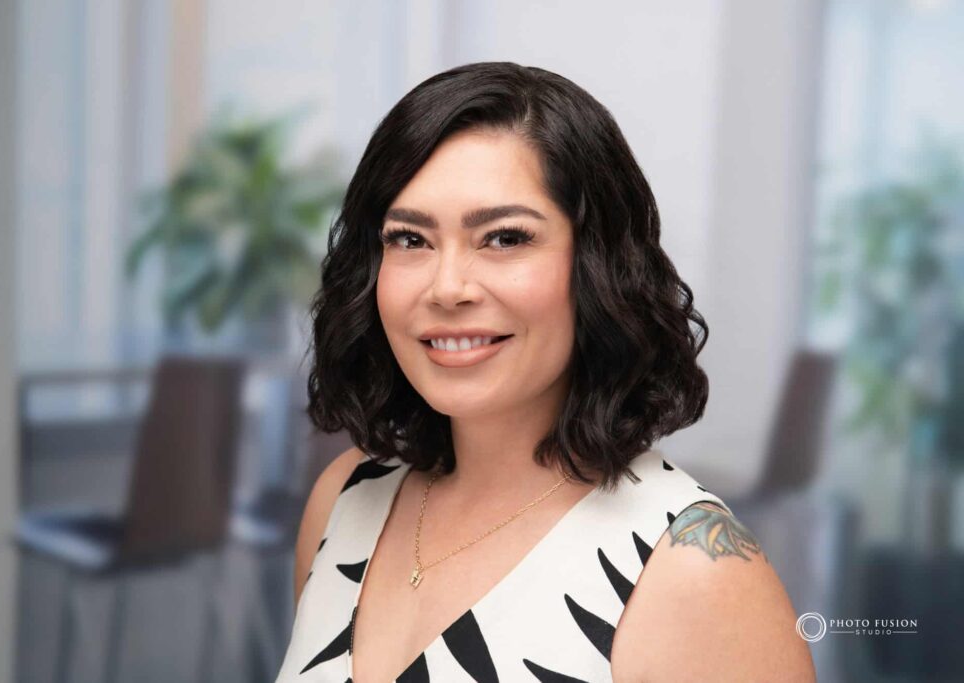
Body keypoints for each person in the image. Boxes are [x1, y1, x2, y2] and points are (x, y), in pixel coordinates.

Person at [275, 62, 815, 682]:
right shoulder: (344, 500)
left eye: (504, 238)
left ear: (597, 267)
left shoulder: (693, 571)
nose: (447, 287)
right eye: (410, 240)